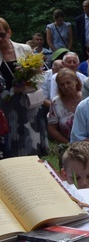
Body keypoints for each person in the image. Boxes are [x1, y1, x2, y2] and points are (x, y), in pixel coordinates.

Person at [0, 17, 48, 159]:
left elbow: (38, 74)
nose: (0, 39)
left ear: (9, 33)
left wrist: (26, 85)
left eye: (1, 35)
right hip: (5, 104)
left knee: (30, 142)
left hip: (28, 102)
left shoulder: (25, 49)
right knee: (9, 143)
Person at [47, 68, 82, 145]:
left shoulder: (86, 98)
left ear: (76, 81)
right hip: (68, 146)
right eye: (62, 85)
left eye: (68, 83)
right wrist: (69, 144)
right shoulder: (56, 102)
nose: (66, 86)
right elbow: (52, 128)